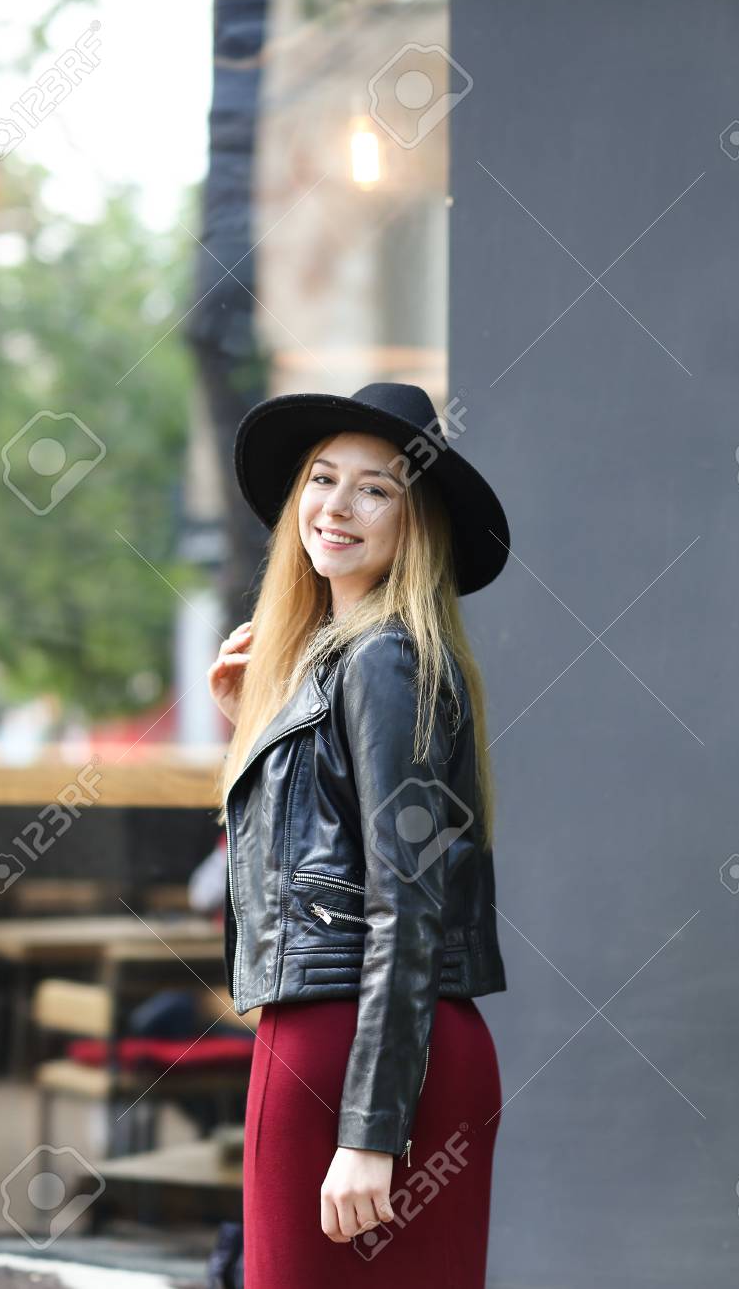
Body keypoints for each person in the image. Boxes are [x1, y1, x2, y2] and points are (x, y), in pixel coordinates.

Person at [207, 381, 510, 1287]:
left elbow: (407, 905)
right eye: (322, 478)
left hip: (358, 1059)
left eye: (375, 488)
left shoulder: (385, 658)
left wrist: (372, 1132)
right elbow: (307, 861)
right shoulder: (339, 665)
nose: (336, 507)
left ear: (417, 521)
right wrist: (256, 732)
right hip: (336, 1045)